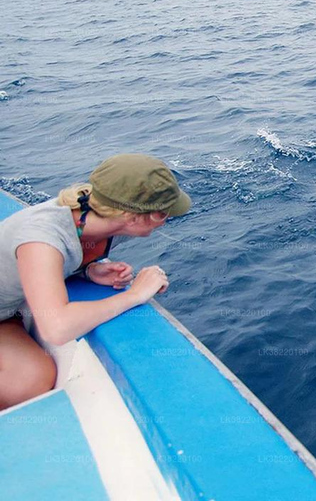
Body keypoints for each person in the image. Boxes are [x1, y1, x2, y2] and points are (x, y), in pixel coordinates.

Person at [0, 153, 191, 410]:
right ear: (132, 217)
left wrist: (87, 270)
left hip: (6, 315)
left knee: (31, 378)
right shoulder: (41, 237)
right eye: (163, 213)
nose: (167, 219)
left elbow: (63, 252)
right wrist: (134, 295)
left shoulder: (87, 215)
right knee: (28, 382)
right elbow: (56, 328)